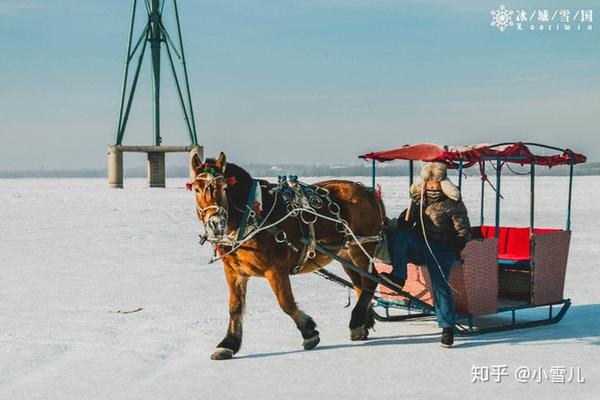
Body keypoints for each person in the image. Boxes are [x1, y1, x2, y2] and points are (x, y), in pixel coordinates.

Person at [380, 162, 472, 348]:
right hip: (421, 244)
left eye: (435, 183)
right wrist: (403, 221)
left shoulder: (452, 203)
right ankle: (398, 276)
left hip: (442, 247)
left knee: (440, 286)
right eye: (428, 182)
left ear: (442, 183)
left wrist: (459, 240)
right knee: (399, 234)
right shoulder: (419, 200)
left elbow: (463, 228)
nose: (431, 186)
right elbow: (409, 221)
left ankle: (447, 328)